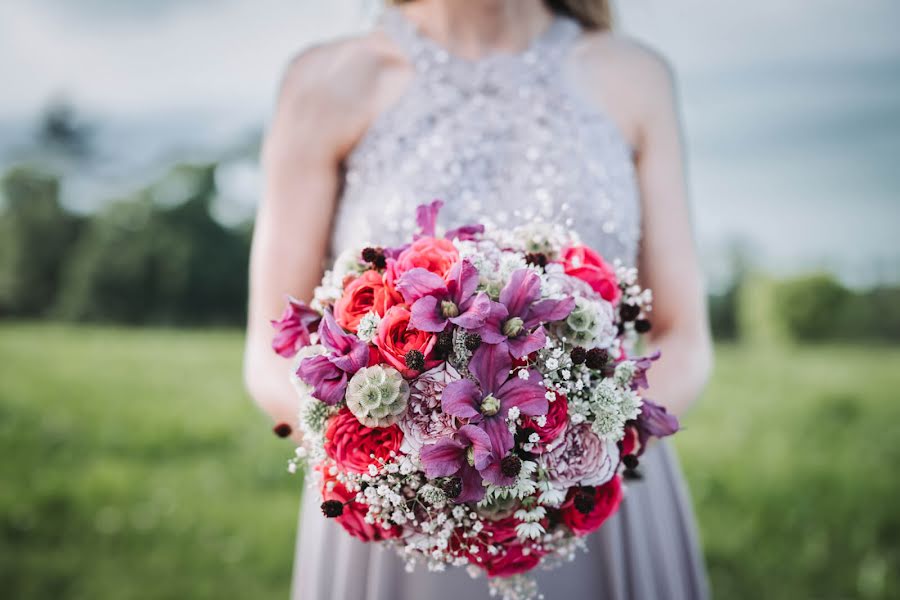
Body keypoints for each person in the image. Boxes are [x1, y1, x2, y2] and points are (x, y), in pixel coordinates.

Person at [244, 1, 713, 598]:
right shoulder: (329, 79)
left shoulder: (635, 76)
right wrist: (402, 476)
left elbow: (684, 335)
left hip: (598, 492)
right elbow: (268, 348)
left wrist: (577, 458)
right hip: (396, 513)